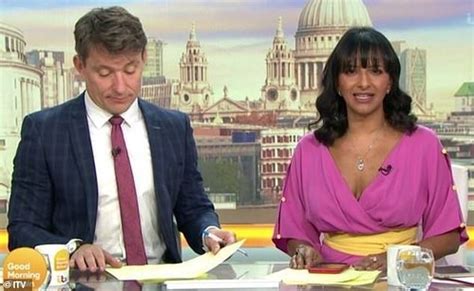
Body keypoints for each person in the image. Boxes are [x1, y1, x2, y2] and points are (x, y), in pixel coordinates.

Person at [8, 6, 235, 273]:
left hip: (161, 279)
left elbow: (193, 206)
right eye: (104, 73)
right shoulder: (44, 132)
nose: (119, 86)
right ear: (79, 66)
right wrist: (73, 248)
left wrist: (207, 231)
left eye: (130, 70)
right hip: (83, 282)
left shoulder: (173, 127)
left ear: (143, 59)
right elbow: (23, 230)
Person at [272, 27, 468, 271]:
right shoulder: (309, 150)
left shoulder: (424, 145)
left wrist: (398, 259)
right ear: (337, 82)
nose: (363, 83)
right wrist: (304, 250)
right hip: (328, 279)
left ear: (390, 82)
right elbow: (294, 231)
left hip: (401, 278)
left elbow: (448, 237)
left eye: (375, 71)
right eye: (351, 71)